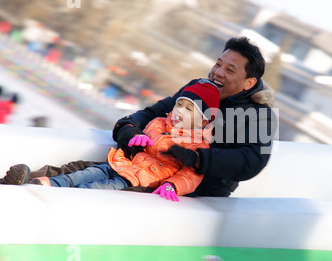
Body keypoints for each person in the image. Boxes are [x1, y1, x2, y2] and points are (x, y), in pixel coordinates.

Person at [3, 80, 220, 202]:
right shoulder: (159, 123)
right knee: (78, 175)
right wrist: (136, 137)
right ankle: (33, 185)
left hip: (135, 180)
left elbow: (191, 174)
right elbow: (138, 130)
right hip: (119, 163)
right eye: (180, 105)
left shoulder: (197, 143)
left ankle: (44, 196)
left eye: (189, 109)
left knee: (94, 188)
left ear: (203, 120)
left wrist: (173, 185)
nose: (180, 111)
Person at [113, 36, 276, 197]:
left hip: (197, 194)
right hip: (149, 170)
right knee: (93, 172)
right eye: (218, 64)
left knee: (114, 193)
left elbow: (252, 161)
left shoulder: (261, 114)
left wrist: (197, 158)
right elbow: (156, 112)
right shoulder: (199, 89)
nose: (218, 72)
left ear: (249, 83)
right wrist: (128, 127)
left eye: (229, 70)